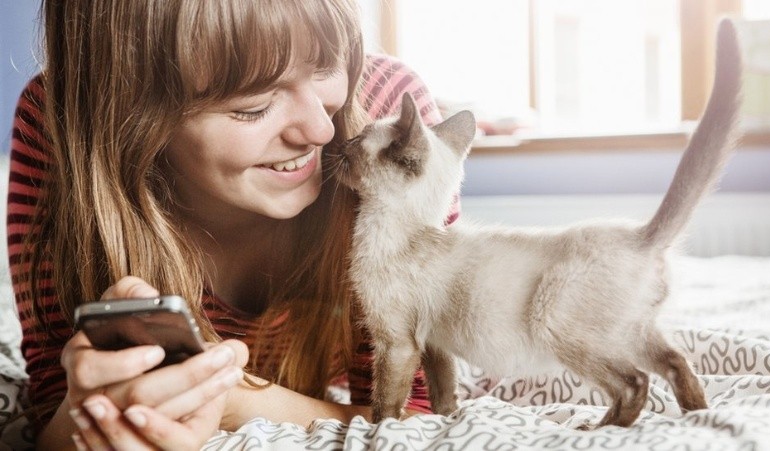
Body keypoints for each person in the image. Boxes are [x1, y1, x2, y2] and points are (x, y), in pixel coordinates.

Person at [8, 1, 456, 449]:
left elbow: (425, 415)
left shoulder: (389, 121)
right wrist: (97, 405)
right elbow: (51, 413)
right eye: (253, 105)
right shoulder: (58, 122)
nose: (322, 130)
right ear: (131, 114)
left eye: (326, 65)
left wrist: (230, 397)